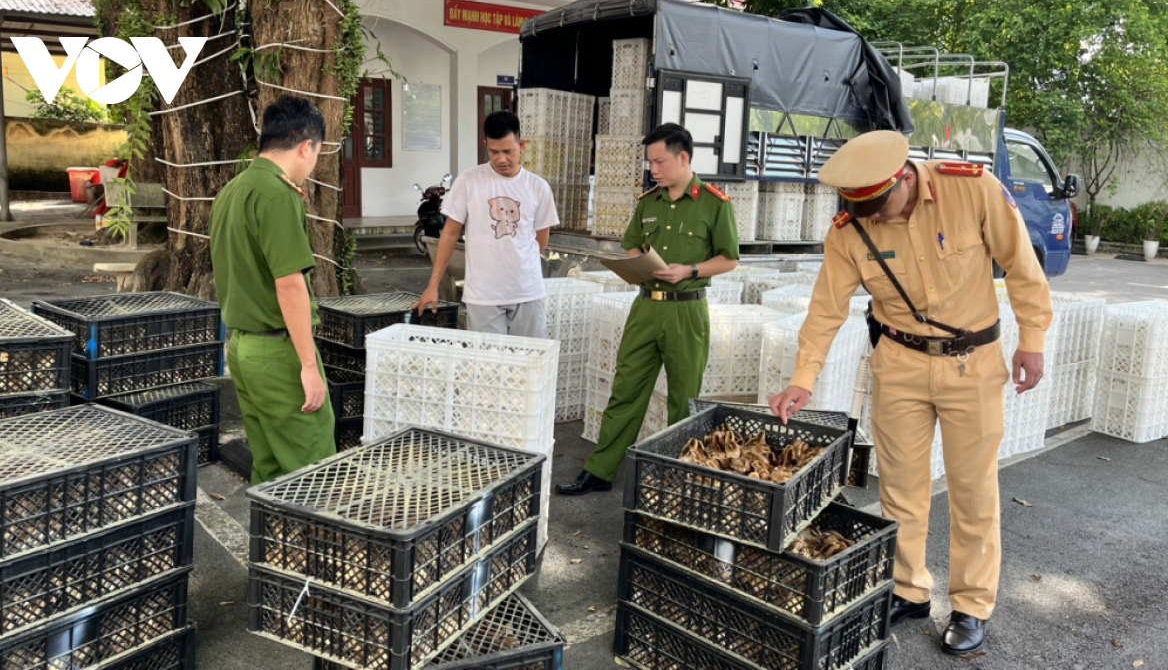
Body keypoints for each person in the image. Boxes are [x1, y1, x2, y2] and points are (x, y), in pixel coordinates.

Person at [768, 130, 1053, 656]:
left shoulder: (972, 189)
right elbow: (826, 308)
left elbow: (1021, 265)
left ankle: (971, 604)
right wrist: (802, 379)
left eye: (880, 205)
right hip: (898, 365)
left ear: (902, 178)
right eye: (862, 211)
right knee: (901, 489)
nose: (872, 219)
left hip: (972, 362)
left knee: (973, 490)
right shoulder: (850, 227)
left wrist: (1032, 340)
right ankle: (909, 588)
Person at [557, 124, 740, 496]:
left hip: (686, 313)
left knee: (683, 399)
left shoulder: (713, 203)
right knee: (625, 390)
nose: (653, 169)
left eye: (660, 161)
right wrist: (639, 262)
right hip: (645, 309)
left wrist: (689, 270)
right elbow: (631, 245)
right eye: (650, 162)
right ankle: (600, 471)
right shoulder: (648, 202)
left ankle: (680, 478)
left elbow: (729, 259)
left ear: (683, 157)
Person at [210, 95, 336, 485]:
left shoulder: (233, 190)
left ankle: (276, 545)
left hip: (242, 349)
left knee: (268, 466)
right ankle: (308, 544)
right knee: (310, 467)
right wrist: (310, 367)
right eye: (317, 153)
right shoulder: (278, 195)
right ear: (305, 146)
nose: (313, 165)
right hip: (277, 351)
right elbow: (290, 286)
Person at [416, 110, 558, 337]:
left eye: (508, 151)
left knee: (527, 362)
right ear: (485, 145)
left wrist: (519, 261)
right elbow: (450, 234)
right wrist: (433, 285)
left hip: (528, 292)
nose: (502, 159)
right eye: (494, 152)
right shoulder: (469, 182)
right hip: (483, 295)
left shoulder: (537, 187)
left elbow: (542, 239)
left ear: (521, 145)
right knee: (489, 365)